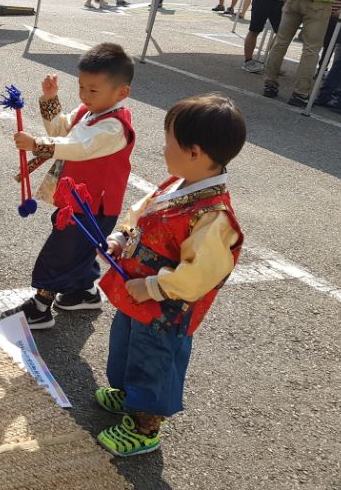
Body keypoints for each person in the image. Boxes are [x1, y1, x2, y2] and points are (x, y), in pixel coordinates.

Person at [94, 94, 246, 458]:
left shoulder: (213, 215)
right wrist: (120, 237)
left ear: (194, 152)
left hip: (165, 309)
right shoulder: (177, 184)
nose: (163, 150)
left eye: (169, 142)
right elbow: (141, 214)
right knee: (126, 343)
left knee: (154, 360)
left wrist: (152, 286)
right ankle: (128, 393)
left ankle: (145, 426)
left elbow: (200, 275)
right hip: (139, 296)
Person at [1, 43, 135, 329]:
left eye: (93, 90)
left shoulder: (115, 127)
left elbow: (77, 146)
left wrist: (37, 144)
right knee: (78, 245)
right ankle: (83, 290)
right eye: (82, 87)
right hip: (78, 197)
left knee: (62, 248)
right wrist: (51, 100)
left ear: (121, 93)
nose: (85, 95)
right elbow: (62, 129)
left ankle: (40, 307)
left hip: (94, 204)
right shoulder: (90, 110)